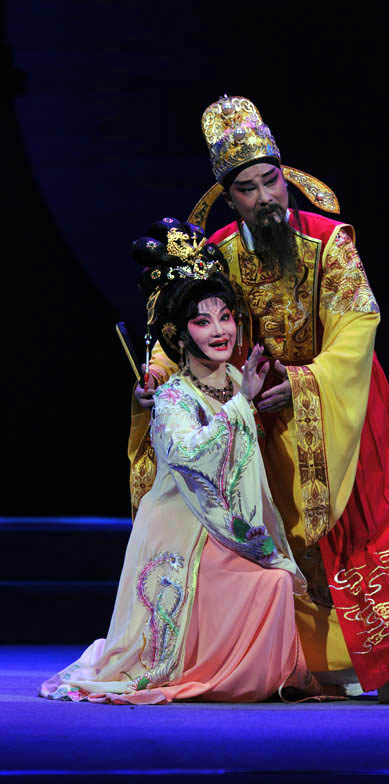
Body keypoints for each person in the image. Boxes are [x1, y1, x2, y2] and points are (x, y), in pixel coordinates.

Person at [130, 96, 389, 705]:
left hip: (343, 406)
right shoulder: (217, 253)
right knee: (280, 542)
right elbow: (184, 321)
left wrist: (304, 382)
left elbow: (358, 324)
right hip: (260, 419)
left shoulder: (329, 242)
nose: (266, 197)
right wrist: (157, 373)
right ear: (228, 196)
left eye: (272, 180)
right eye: (248, 188)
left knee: (366, 524)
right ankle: (306, 663)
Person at [40, 220, 323, 704]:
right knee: (271, 582)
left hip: (225, 526)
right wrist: (242, 405)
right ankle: (211, 672)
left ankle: (245, 676)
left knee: (277, 581)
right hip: (183, 529)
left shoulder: (238, 379)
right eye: (202, 321)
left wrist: (249, 397)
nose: (220, 330)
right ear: (179, 333)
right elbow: (189, 456)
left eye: (225, 317)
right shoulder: (174, 396)